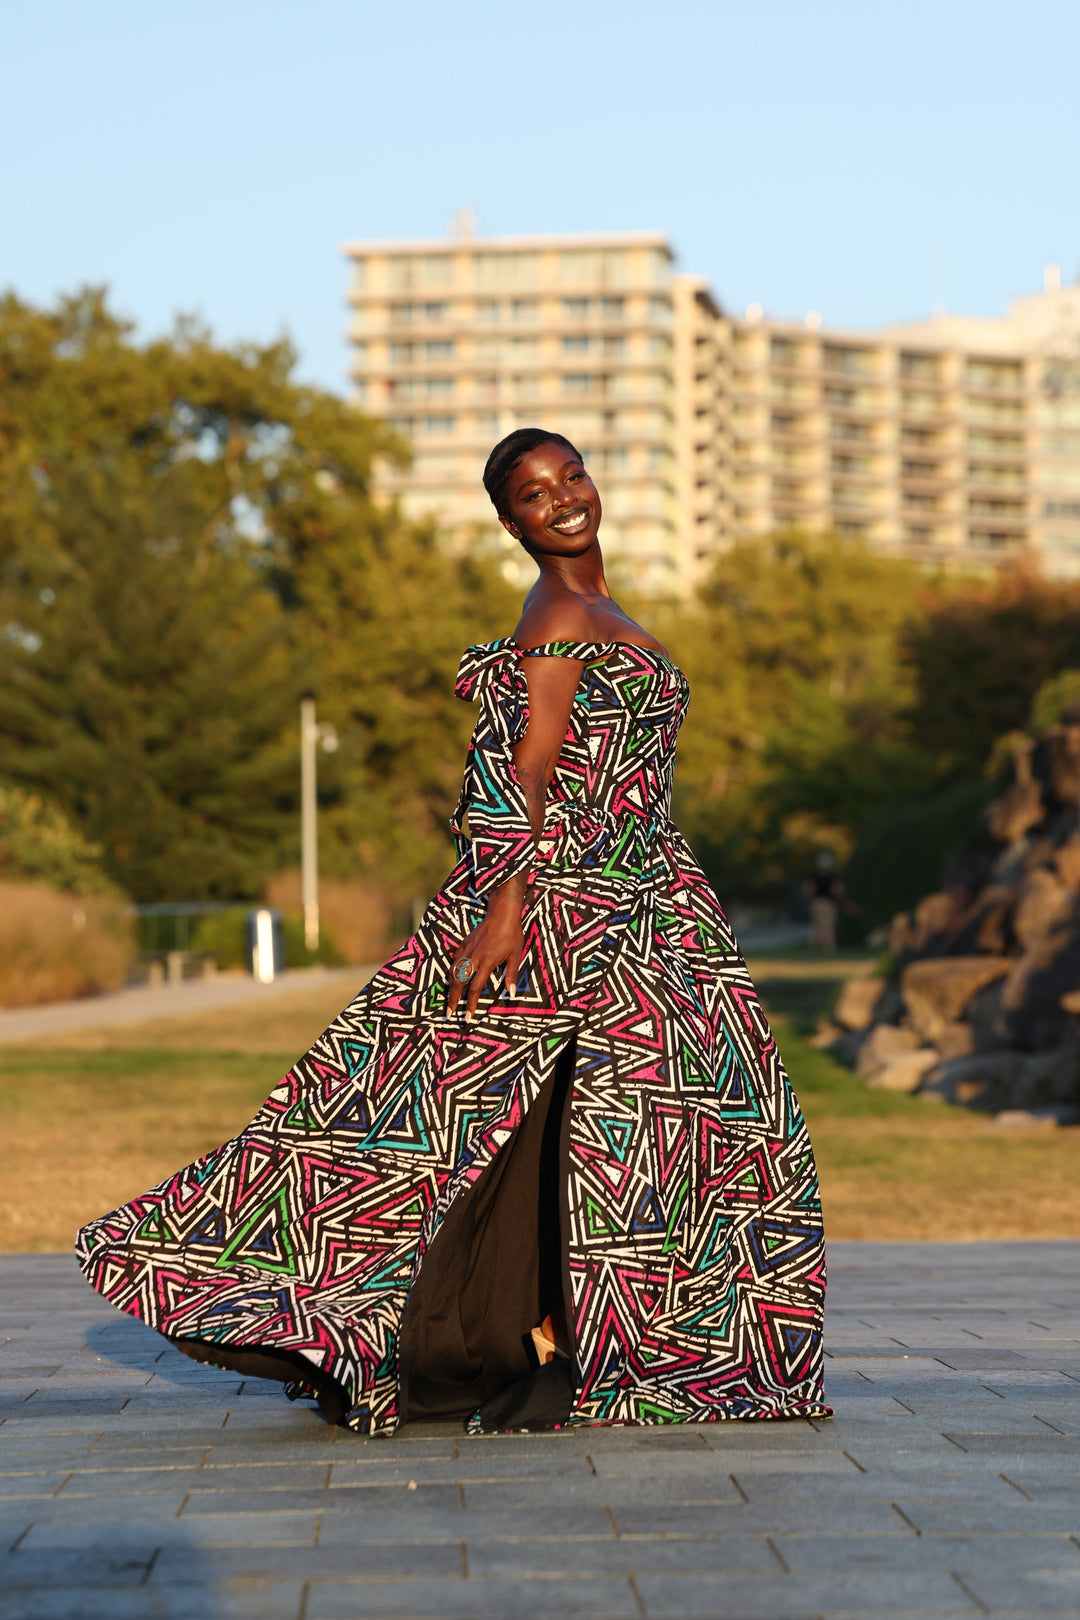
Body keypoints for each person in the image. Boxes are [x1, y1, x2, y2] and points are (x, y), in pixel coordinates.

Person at [77, 429, 831, 1435]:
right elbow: (512, 775)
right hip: (576, 904)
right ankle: (562, 1346)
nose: (563, 498)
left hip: (650, 902)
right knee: (564, 1128)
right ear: (510, 520)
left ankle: (561, 1340)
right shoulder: (557, 616)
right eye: (534, 492)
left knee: (646, 1127)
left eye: (572, 476)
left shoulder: (603, 610)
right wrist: (506, 908)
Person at [805, 852, 845, 955]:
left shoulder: (814, 877)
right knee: (828, 926)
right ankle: (829, 949)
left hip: (816, 903)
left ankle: (813, 949)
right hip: (827, 903)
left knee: (816, 927)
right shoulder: (832, 877)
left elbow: (809, 890)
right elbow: (838, 890)